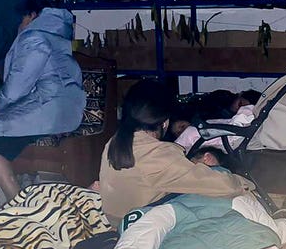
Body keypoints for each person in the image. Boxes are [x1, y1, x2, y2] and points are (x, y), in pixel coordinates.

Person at [0, 0, 86, 213]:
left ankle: (17, 200)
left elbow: (18, 85)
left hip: (48, 111)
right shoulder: (57, 35)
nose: (19, 23)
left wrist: (0, 104)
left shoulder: (35, 38)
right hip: (63, 110)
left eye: (22, 18)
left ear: (33, 15)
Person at [98, 79, 254, 226]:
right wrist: (246, 183)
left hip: (120, 220)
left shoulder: (115, 141)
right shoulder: (156, 155)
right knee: (224, 194)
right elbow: (223, 186)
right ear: (164, 122)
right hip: (142, 225)